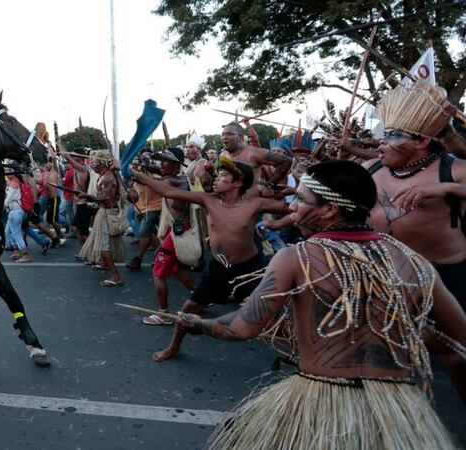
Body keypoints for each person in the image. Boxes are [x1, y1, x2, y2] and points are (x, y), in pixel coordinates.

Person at [176, 160, 464, 449]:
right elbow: (458, 341)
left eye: (301, 199)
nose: (292, 207)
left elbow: (240, 328)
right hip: (397, 415)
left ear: (330, 209)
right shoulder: (414, 262)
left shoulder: (298, 256)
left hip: (320, 403)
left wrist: (199, 324)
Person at [361, 80, 466, 402]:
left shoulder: (453, 170)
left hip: (444, 274)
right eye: (385, 134)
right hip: (384, 272)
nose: (382, 142)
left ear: (421, 140)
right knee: (378, 349)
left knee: (455, 354)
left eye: (393, 136)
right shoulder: (370, 168)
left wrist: (445, 189)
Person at [131, 156, 289, 361]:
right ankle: (173, 347)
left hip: (250, 270)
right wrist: (135, 175)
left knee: (270, 313)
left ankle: (299, 350)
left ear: (238, 182)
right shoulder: (208, 200)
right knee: (188, 310)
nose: (215, 178)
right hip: (219, 267)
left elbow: (293, 210)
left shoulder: (254, 204)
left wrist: (280, 220)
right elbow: (169, 192)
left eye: (222, 175)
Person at [142, 148, 197, 325]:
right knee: (174, 269)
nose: (161, 164)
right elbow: (156, 170)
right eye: (161, 161)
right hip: (176, 231)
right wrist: (149, 161)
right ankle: (201, 298)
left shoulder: (175, 182)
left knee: (158, 271)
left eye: (165, 161)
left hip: (178, 233)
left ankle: (163, 314)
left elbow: (151, 179)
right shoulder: (177, 179)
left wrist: (130, 170)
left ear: (175, 164)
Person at [77, 150, 125, 286]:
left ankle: (116, 276)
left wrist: (86, 196)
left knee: (103, 246)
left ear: (101, 163)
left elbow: (105, 198)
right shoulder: (107, 175)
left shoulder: (107, 177)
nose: (92, 165)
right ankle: (105, 264)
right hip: (106, 211)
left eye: (94, 162)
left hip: (107, 212)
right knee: (104, 244)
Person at [219, 122, 293, 198]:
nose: (225, 137)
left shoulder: (253, 153)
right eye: (223, 134)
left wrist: (270, 185)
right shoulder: (223, 155)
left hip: (251, 203)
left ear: (241, 137)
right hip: (227, 202)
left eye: (230, 134)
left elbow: (286, 161)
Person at [125, 151, 162, 271]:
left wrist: (136, 170)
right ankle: (163, 253)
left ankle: (137, 259)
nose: (139, 165)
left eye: (141, 163)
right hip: (139, 208)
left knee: (143, 233)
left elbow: (144, 180)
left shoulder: (155, 177)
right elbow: (130, 185)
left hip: (153, 208)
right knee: (148, 234)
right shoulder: (135, 176)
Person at [60, 147, 92, 244]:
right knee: (75, 228)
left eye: (74, 155)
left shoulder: (82, 168)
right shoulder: (79, 168)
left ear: (80, 157)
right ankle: (85, 251)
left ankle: (88, 253)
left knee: (83, 232)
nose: (72, 157)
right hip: (79, 203)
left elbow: (68, 157)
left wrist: (62, 149)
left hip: (83, 204)